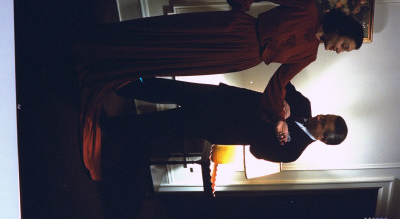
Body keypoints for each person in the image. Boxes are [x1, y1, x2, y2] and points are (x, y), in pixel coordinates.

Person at [74, 0, 361, 180]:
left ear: (323, 138)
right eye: (344, 45)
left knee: (173, 83)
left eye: (343, 51)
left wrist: (278, 119)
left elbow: (277, 84)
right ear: (341, 30)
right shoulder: (309, 9)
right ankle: (116, 68)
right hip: (237, 32)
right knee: (173, 44)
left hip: (240, 64)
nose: (338, 50)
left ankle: (112, 92)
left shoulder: (309, 57)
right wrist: (239, 4)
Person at [107, 78, 347, 163]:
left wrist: (275, 126)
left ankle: (110, 127)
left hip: (219, 126)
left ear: (323, 138)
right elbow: (282, 84)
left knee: (165, 124)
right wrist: (284, 106)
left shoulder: (293, 151)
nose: (319, 116)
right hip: (224, 97)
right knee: (171, 88)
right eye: (325, 115)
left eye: (323, 122)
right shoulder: (303, 105)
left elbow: (257, 151)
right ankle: (120, 86)